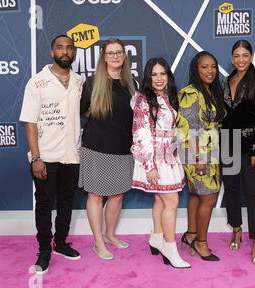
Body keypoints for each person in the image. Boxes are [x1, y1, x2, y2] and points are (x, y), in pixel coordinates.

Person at [19, 35, 83, 275]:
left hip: (72, 156)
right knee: (45, 205)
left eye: (69, 48)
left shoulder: (79, 82)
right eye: (60, 48)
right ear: (51, 52)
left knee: (67, 202)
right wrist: (36, 157)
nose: (65, 52)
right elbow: (29, 123)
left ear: (74, 53)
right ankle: (44, 250)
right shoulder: (37, 83)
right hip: (45, 157)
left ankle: (61, 243)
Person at [78, 38, 136, 260]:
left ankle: (110, 235)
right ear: (103, 57)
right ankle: (98, 242)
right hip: (97, 148)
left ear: (124, 55)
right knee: (95, 196)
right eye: (110, 53)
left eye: (118, 52)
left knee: (117, 195)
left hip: (124, 148)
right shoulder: (92, 83)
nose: (115, 56)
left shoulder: (132, 84)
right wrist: (93, 113)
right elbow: (80, 110)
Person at [130, 57, 190, 269]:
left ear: (168, 76)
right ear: (148, 77)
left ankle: (156, 237)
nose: (158, 78)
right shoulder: (143, 100)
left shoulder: (169, 96)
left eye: (162, 74)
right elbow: (140, 133)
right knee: (171, 201)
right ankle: (169, 246)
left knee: (161, 200)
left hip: (170, 155)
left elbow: (173, 128)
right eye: (154, 74)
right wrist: (149, 165)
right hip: (154, 157)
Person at [221, 40, 255, 265]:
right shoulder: (226, 81)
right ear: (232, 58)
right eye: (237, 55)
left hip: (250, 146)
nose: (241, 60)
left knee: (253, 193)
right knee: (231, 189)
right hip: (228, 143)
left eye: (245, 55)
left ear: (251, 56)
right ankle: (236, 228)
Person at [177, 51, 226, 261]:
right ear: (196, 69)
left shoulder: (211, 91)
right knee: (209, 197)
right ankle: (201, 242)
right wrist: (198, 158)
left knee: (197, 194)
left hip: (211, 151)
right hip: (197, 152)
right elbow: (186, 130)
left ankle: (190, 234)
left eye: (213, 66)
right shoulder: (189, 92)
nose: (210, 71)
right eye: (204, 66)